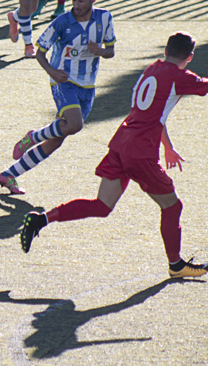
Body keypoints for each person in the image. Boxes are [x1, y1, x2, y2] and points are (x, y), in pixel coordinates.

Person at [20, 32, 208, 279]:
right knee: (172, 206)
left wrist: (168, 146)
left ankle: (41, 219)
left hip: (122, 143)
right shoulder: (180, 76)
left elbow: (151, 114)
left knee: (102, 206)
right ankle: (175, 265)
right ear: (190, 57)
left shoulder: (152, 69)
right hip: (140, 153)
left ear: (165, 51)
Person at [0, 0, 115, 194]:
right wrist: (52, 72)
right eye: (74, 0)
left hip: (88, 86)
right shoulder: (62, 22)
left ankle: (9, 175)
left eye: (81, 0)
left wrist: (100, 51)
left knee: (57, 140)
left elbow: (111, 51)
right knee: (74, 125)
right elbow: (40, 52)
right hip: (63, 80)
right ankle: (32, 137)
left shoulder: (105, 18)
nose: (76, 5)